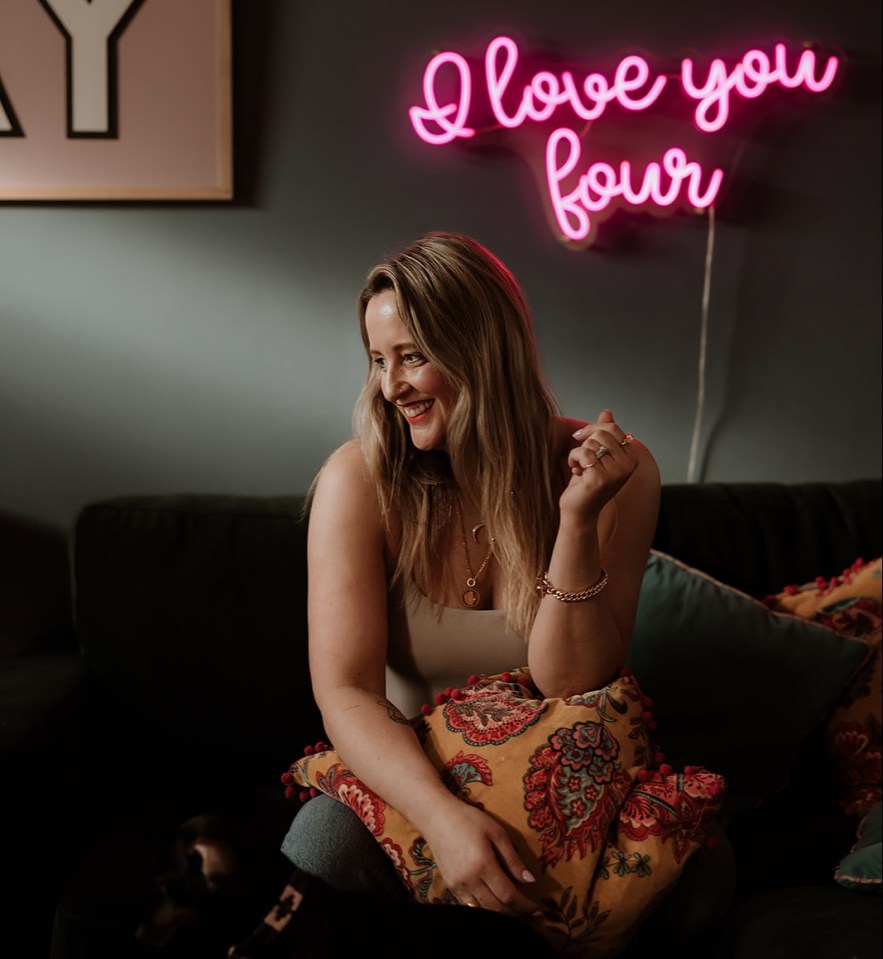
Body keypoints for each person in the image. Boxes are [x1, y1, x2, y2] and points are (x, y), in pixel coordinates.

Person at [279, 231, 661, 922]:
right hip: (416, 777)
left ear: (482, 352)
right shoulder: (357, 479)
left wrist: (574, 521)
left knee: (702, 864)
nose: (390, 386)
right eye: (377, 360)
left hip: (558, 777)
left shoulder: (616, 472)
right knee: (323, 840)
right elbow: (344, 691)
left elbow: (569, 684)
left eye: (412, 356)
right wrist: (444, 819)